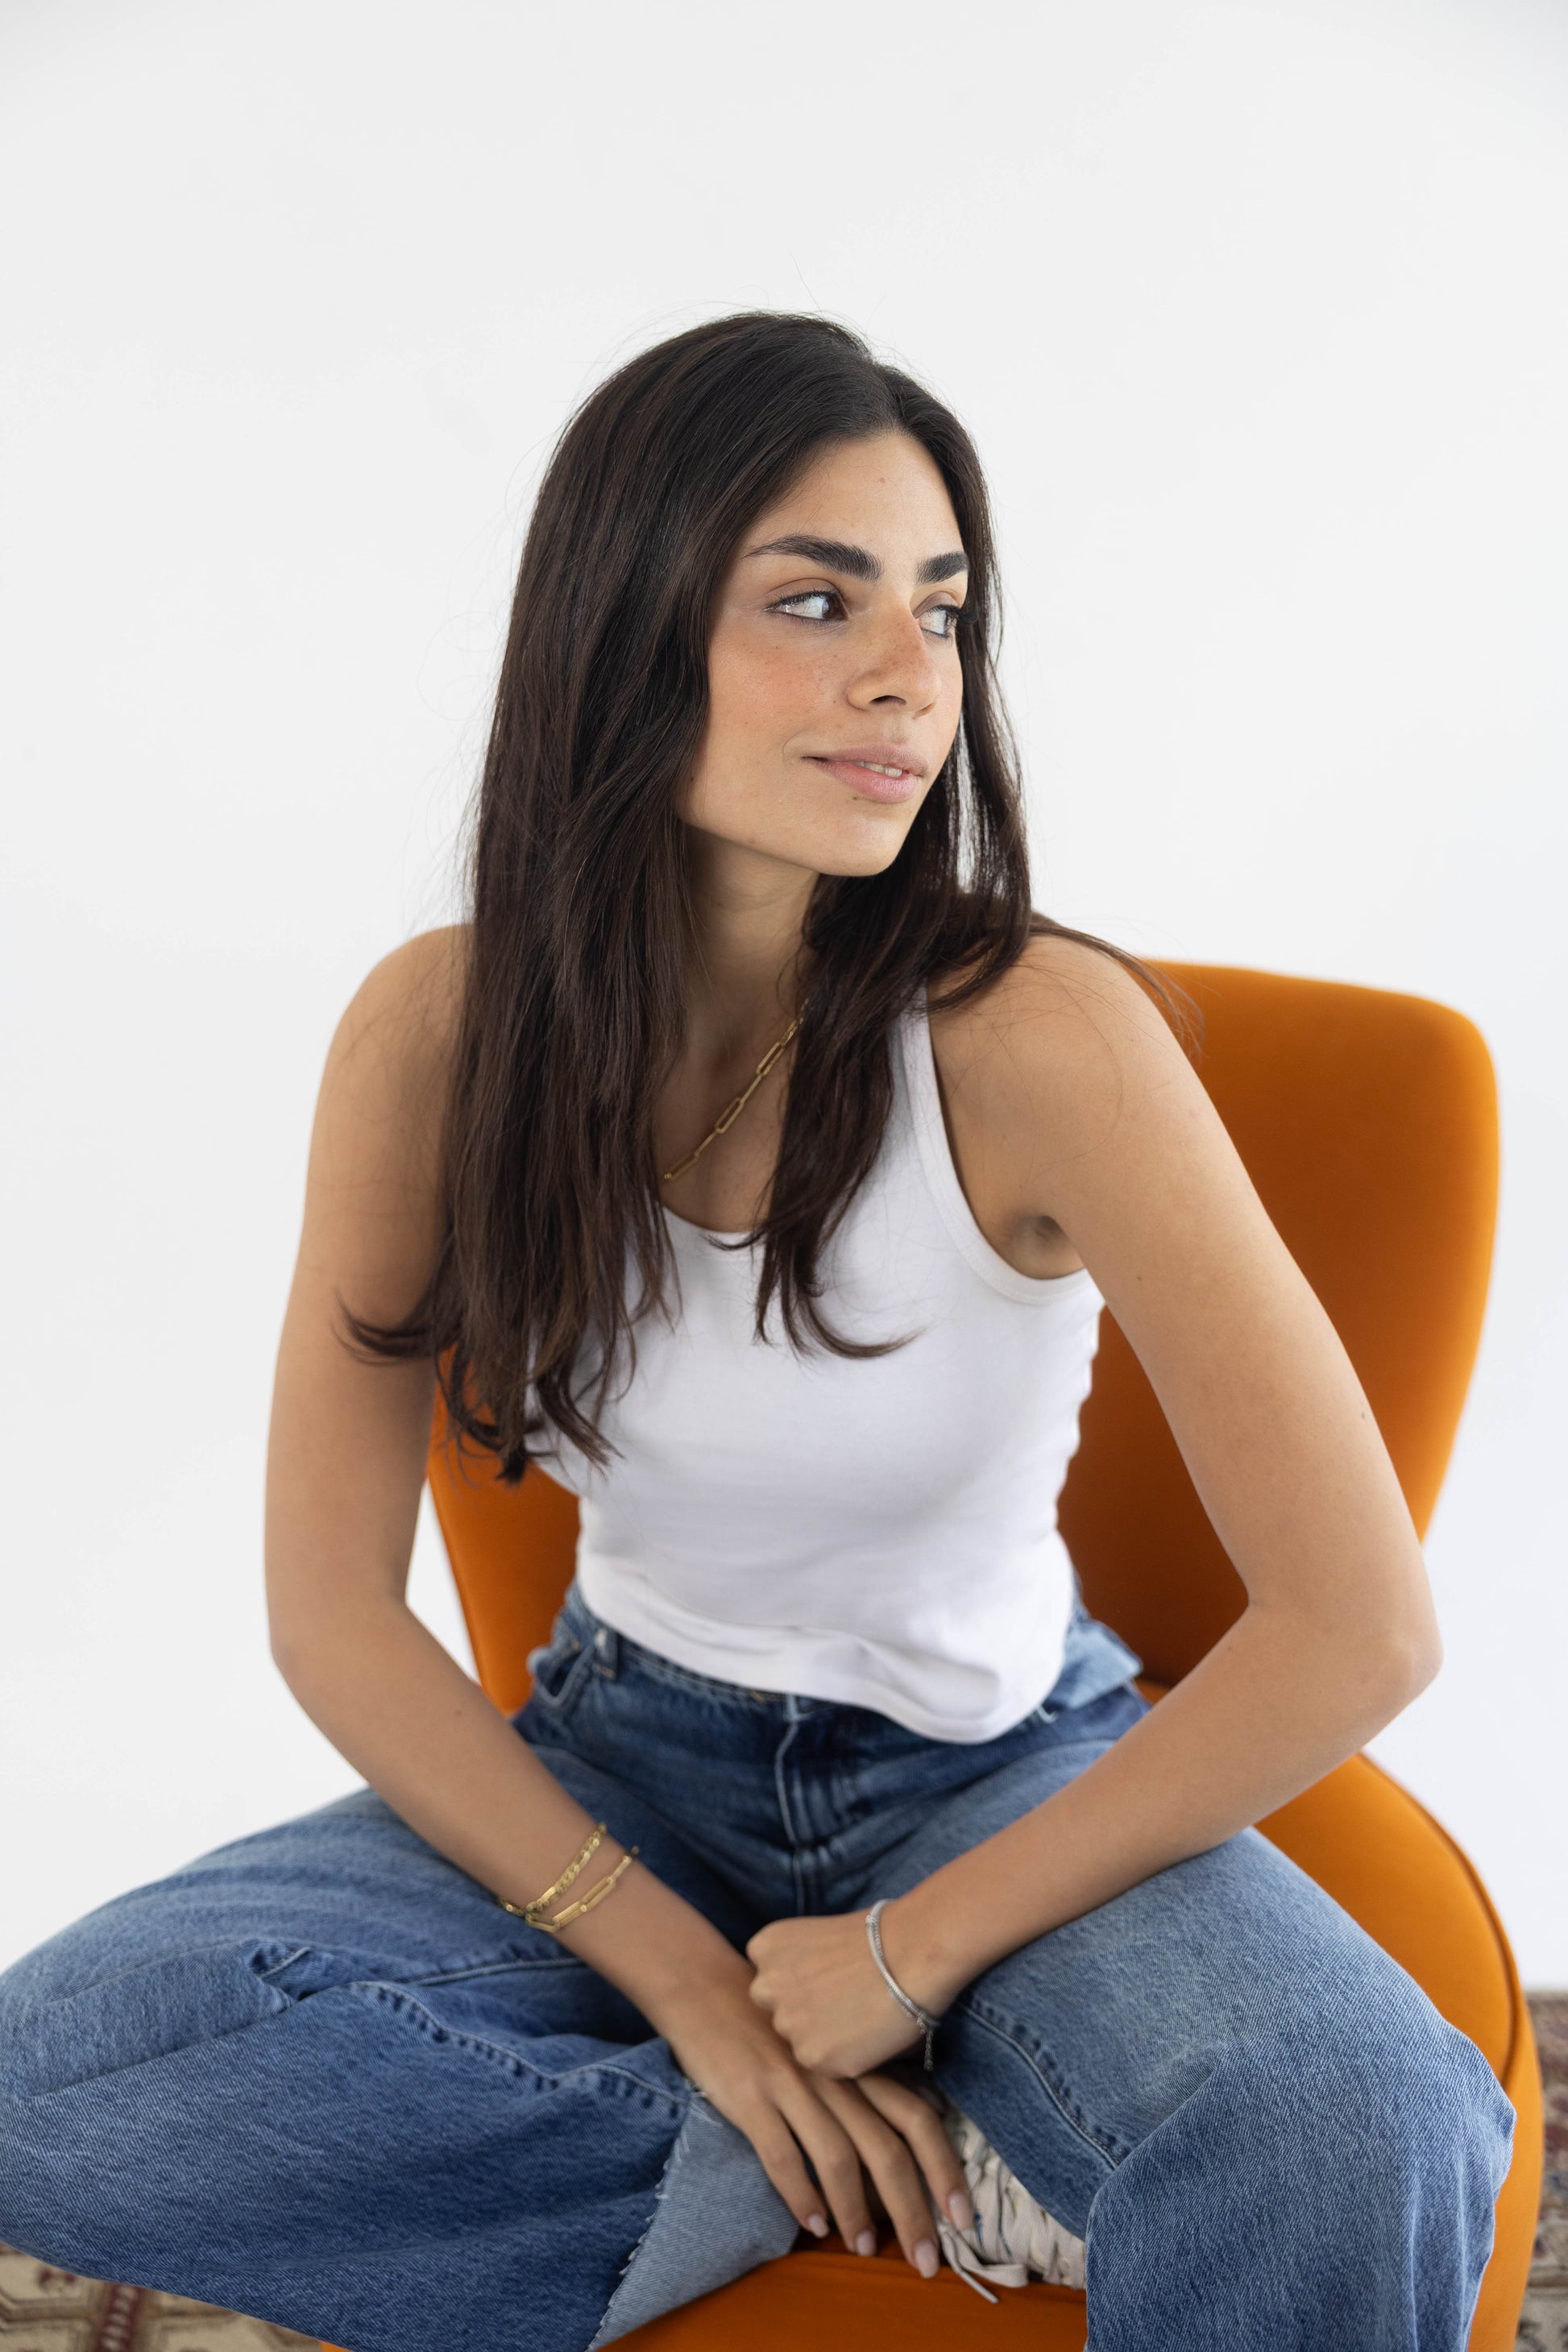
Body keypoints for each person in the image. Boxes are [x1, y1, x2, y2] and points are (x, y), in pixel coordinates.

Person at [0, 312, 1512, 2352]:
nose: (909, 675)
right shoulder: (439, 1035)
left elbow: (1362, 1626)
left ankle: (954, 2116)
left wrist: (904, 1957)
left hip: (995, 1771)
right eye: (818, 599)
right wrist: (703, 1996)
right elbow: (332, 1613)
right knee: (50, 2069)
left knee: (1362, 2114)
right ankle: (901, 2169)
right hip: (626, 1752)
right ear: (624, 631)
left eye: (940, 609)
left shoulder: (1038, 1036)